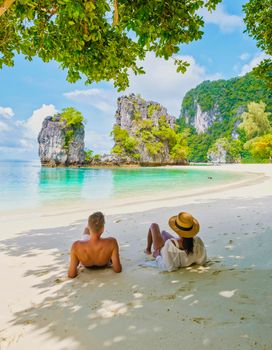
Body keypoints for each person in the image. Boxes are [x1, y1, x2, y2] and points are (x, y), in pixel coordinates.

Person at [68, 211, 122, 278]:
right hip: (103, 263)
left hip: (87, 263)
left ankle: (90, 227)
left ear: (89, 227)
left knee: (85, 232)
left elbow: (71, 274)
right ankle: (95, 228)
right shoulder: (112, 242)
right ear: (103, 228)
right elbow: (117, 269)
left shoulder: (76, 246)